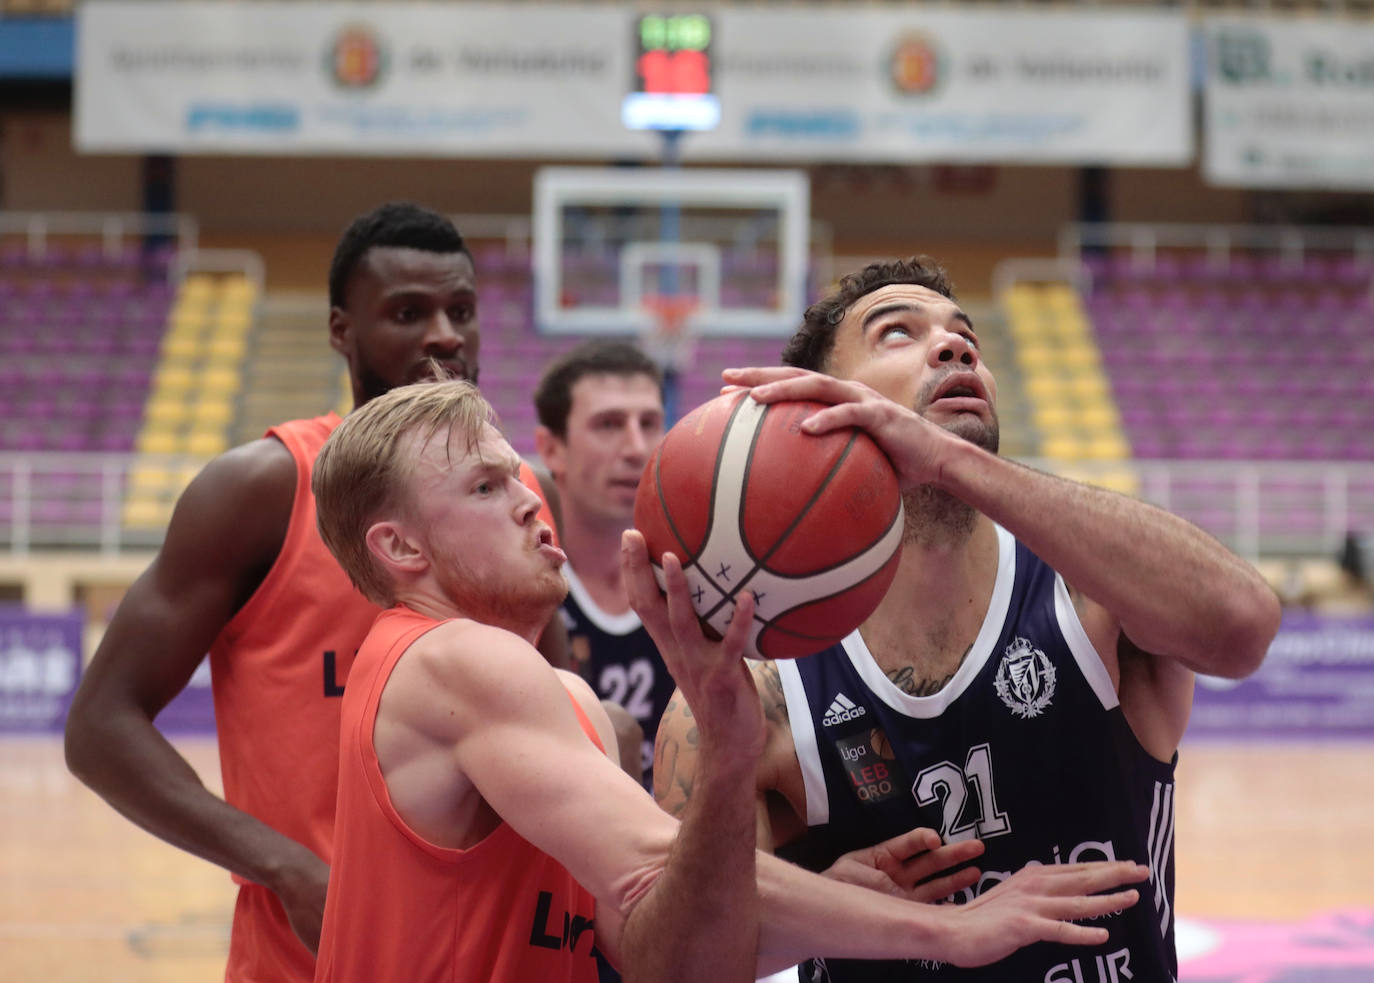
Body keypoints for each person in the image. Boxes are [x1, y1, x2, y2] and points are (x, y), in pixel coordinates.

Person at [309, 377, 1151, 982]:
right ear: (400, 549)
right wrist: (953, 928)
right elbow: (654, 862)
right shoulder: (451, 658)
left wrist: (815, 900)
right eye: (486, 488)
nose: (531, 501)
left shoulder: (553, 698)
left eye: (517, 475)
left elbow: (663, 952)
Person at [654, 257, 1283, 982]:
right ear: (817, 409)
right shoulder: (760, 688)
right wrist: (832, 907)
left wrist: (950, 464)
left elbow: (1243, 628)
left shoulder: (1090, 592)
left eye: (965, 338)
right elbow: (682, 961)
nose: (955, 349)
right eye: (897, 333)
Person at [62, 202, 564, 983]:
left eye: (460, 310)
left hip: (490, 958)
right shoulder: (263, 488)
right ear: (341, 330)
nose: (444, 334)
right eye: (408, 312)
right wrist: (284, 865)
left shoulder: (520, 494)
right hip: (303, 962)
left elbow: (561, 711)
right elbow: (100, 726)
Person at [534, 339, 674, 787]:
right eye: (609, 424)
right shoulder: (519, 591)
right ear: (551, 448)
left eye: (649, 423)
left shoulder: (702, 576)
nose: (636, 447)